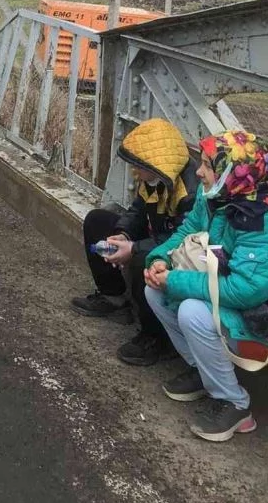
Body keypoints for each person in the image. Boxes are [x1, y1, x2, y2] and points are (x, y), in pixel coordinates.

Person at [145, 130, 268, 442]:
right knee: (154, 290)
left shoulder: (259, 219)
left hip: (257, 314)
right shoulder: (217, 193)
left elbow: (246, 290)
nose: (198, 172)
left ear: (232, 173)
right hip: (226, 291)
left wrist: (176, 280)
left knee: (191, 310)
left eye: (207, 166)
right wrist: (160, 259)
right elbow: (189, 228)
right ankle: (203, 371)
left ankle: (236, 403)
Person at [71, 118, 199, 365]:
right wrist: (123, 235)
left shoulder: (189, 193)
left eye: (137, 165)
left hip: (180, 250)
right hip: (157, 235)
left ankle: (157, 338)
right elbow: (138, 211)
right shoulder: (156, 176)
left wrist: (134, 249)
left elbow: (183, 241)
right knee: (97, 221)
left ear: (155, 162)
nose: (134, 171)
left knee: (146, 261)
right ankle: (113, 298)